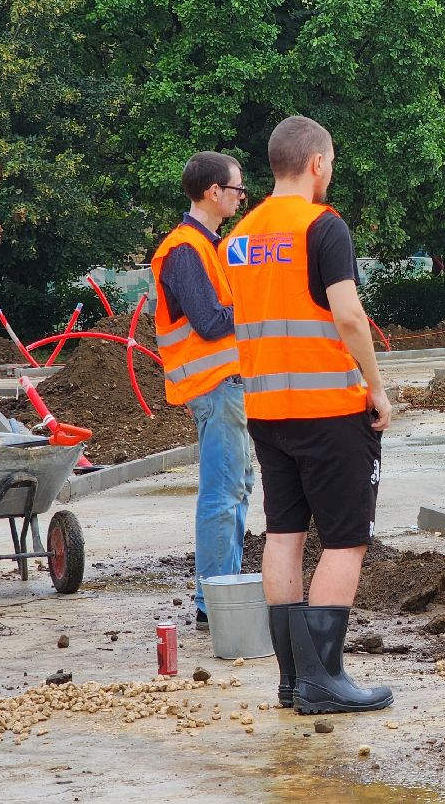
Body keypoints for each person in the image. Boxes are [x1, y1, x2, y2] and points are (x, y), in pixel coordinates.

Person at [222, 116, 393, 715]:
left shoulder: (238, 238)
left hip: (267, 411)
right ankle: (326, 679)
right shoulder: (324, 227)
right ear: (317, 163)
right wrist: (376, 387)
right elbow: (347, 316)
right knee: (346, 541)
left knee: (284, 536)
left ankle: (293, 680)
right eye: (331, 163)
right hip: (329, 410)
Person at [148, 152, 254, 633]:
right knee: (223, 493)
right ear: (213, 191)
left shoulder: (206, 246)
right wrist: (259, 312)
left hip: (224, 387)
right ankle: (216, 600)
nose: (240, 197)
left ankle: (219, 593)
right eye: (237, 190)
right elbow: (211, 322)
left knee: (235, 489)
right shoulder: (186, 250)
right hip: (214, 388)